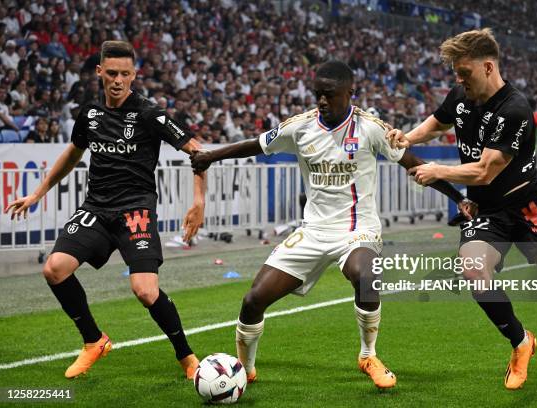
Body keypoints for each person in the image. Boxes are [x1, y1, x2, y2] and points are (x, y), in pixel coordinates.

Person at [191, 60, 474, 389]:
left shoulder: (370, 128)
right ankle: (245, 368)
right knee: (253, 299)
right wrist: (211, 155)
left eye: (329, 95)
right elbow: (257, 144)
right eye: (317, 95)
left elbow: (413, 163)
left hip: (357, 229)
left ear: (349, 94)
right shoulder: (300, 127)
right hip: (312, 231)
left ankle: (368, 355)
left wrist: (457, 196)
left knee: (365, 275)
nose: (322, 101)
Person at [387, 28, 537, 387]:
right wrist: (407, 137)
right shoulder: (461, 94)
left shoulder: (515, 108)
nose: (459, 81)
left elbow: (485, 171)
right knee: (474, 270)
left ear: (488, 67)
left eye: (465, 73)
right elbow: (437, 122)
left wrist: (437, 170)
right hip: (487, 212)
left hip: (527, 206)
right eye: (456, 74)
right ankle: (522, 342)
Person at [5, 41, 207, 380]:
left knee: (144, 290)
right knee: (54, 268)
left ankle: (186, 357)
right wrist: (37, 194)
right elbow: (72, 154)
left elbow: (196, 150)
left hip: (135, 211)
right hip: (96, 209)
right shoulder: (90, 113)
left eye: (125, 74)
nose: (117, 80)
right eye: (111, 73)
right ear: (99, 72)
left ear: (134, 75)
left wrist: (199, 202)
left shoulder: (148, 113)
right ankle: (94, 341)